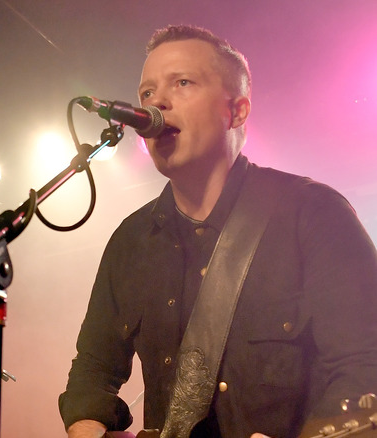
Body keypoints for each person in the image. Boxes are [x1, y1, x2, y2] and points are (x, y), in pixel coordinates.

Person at [59, 24, 377, 438]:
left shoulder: (313, 214)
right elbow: (92, 369)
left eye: (183, 83)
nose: (157, 104)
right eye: (147, 94)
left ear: (237, 111)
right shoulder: (130, 241)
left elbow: (365, 365)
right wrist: (89, 428)